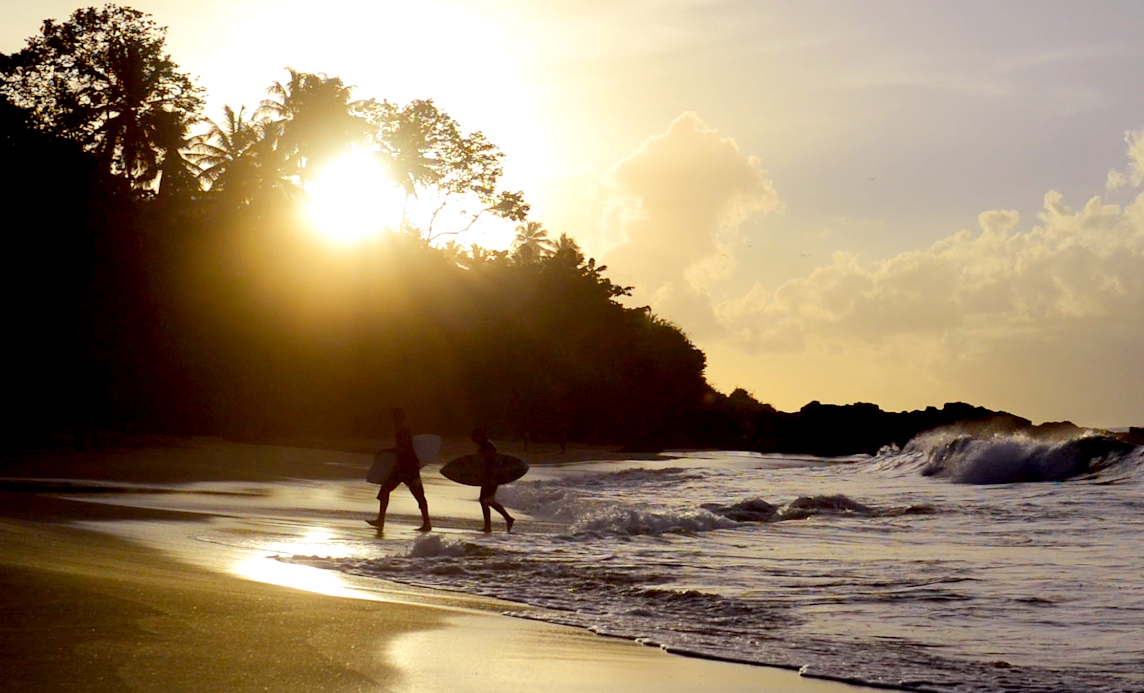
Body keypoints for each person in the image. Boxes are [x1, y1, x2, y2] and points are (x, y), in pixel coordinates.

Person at [370, 408, 431, 532]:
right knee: (385, 490)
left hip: (408, 469)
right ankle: (380, 520)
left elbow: (404, 449)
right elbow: (402, 448)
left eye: (395, 415)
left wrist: (386, 451)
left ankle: (427, 523)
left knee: (418, 495)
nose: (393, 418)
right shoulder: (400, 430)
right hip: (402, 468)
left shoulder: (402, 431)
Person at [471, 427, 514, 533]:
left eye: (475, 437)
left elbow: (491, 463)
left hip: (491, 477)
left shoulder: (488, 446)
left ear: (480, 436)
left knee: (486, 500)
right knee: (485, 501)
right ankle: (489, 526)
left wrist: (489, 478)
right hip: (489, 477)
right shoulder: (485, 445)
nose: (474, 440)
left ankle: (506, 519)